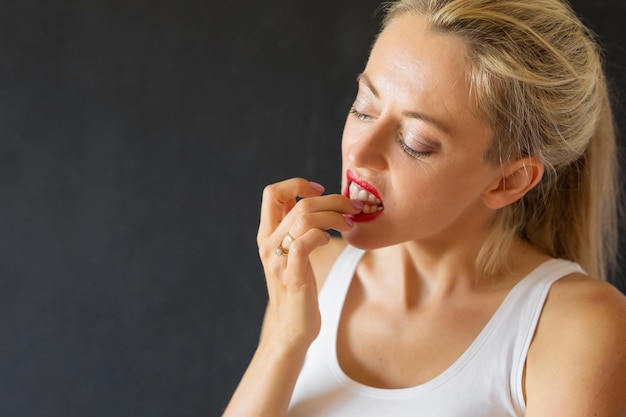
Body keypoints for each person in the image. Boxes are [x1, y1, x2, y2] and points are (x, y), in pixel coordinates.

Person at [222, 0, 626, 415]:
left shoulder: (578, 330)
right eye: (363, 108)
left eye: (414, 141)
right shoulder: (314, 274)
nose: (359, 152)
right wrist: (284, 340)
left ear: (508, 181)